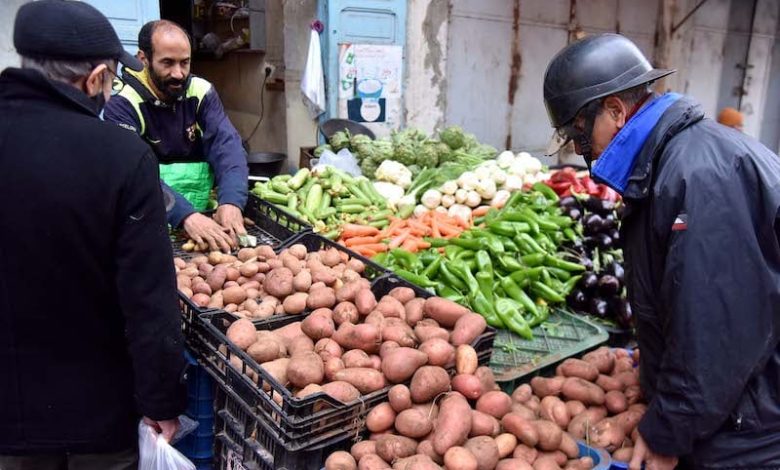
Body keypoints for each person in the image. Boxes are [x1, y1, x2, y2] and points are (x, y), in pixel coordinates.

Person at [544, 34, 780, 469]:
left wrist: (668, 432)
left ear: (615, 111)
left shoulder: (701, 175)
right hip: (731, 407)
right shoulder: (673, 162)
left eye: (580, 135)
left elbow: (719, 330)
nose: (582, 153)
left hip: (750, 423)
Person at [0, 1, 186, 469]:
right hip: (96, 420)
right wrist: (162, 401)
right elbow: (149, 300)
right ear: (96, 77)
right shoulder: (121, 156)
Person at [104, 19, 249, 253]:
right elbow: (132, 175)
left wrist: (231, 201)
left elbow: (228, 146)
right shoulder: (123, 105)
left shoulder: (200, 92)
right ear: (144, 59)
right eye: (167, 63)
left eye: (185, 62)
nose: (178, 73)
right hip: (149, 216)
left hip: (204, 212)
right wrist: (185, 216)